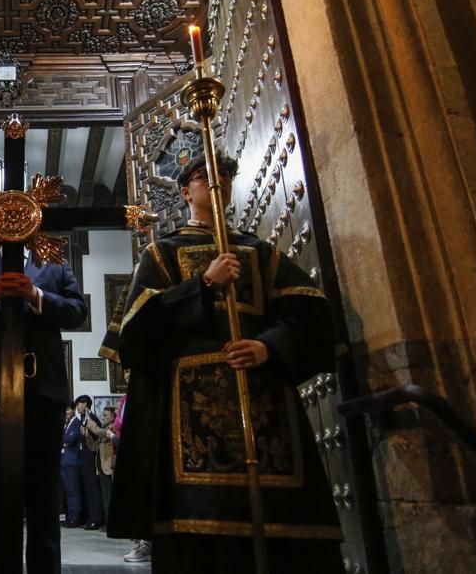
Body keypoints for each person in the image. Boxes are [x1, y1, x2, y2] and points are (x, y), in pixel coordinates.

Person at [105, 150, 342, 573]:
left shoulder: (261, 253)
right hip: (188, 415)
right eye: (204, 176)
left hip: (264, 405)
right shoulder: (162, 254)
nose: (218, 183)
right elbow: (138, 332)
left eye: (226, 177)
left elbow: (311, 318)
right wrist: (203, 284)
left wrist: (268, 347)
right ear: (185, 191)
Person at [0, 252, 88, 574]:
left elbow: (78, 312)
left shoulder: (56, 262)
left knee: (43, 496)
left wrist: (36, 295)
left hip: (43, 394)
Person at [72, 395, 104, 530]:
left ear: (85, 404)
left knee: (93, 489)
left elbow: (98, 436)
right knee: (87, 489)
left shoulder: (92, 419)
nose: (77, 407)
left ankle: (96, 519)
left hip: (91, 458)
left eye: (78, 404)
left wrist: (88, 435)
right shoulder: (82, 419)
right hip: (83, 458)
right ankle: (90, 517)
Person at [60, 405, 83, 528]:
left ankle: (75, 518)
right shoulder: (66, 423)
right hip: (64, 460)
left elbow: (70, 439)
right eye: (65, 410)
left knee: (74, 490)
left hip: (72, 461)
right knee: (68, 490)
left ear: (73, 410)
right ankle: (70, 516)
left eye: (68, 409)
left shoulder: (77, 423)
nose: (66, 412)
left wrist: (62, 438)